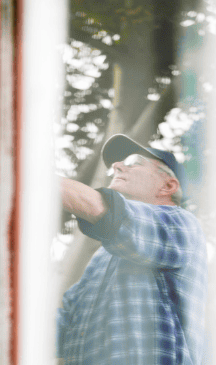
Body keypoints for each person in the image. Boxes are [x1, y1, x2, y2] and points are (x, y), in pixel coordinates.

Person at [57, 134, 207, 364]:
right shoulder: (101, 258)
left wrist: (30, 176)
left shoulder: (182, 225)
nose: (116, 166)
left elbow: (109, 212)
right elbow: (61, 325)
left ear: (168, 185)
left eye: (133, 161)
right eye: (117, 164)